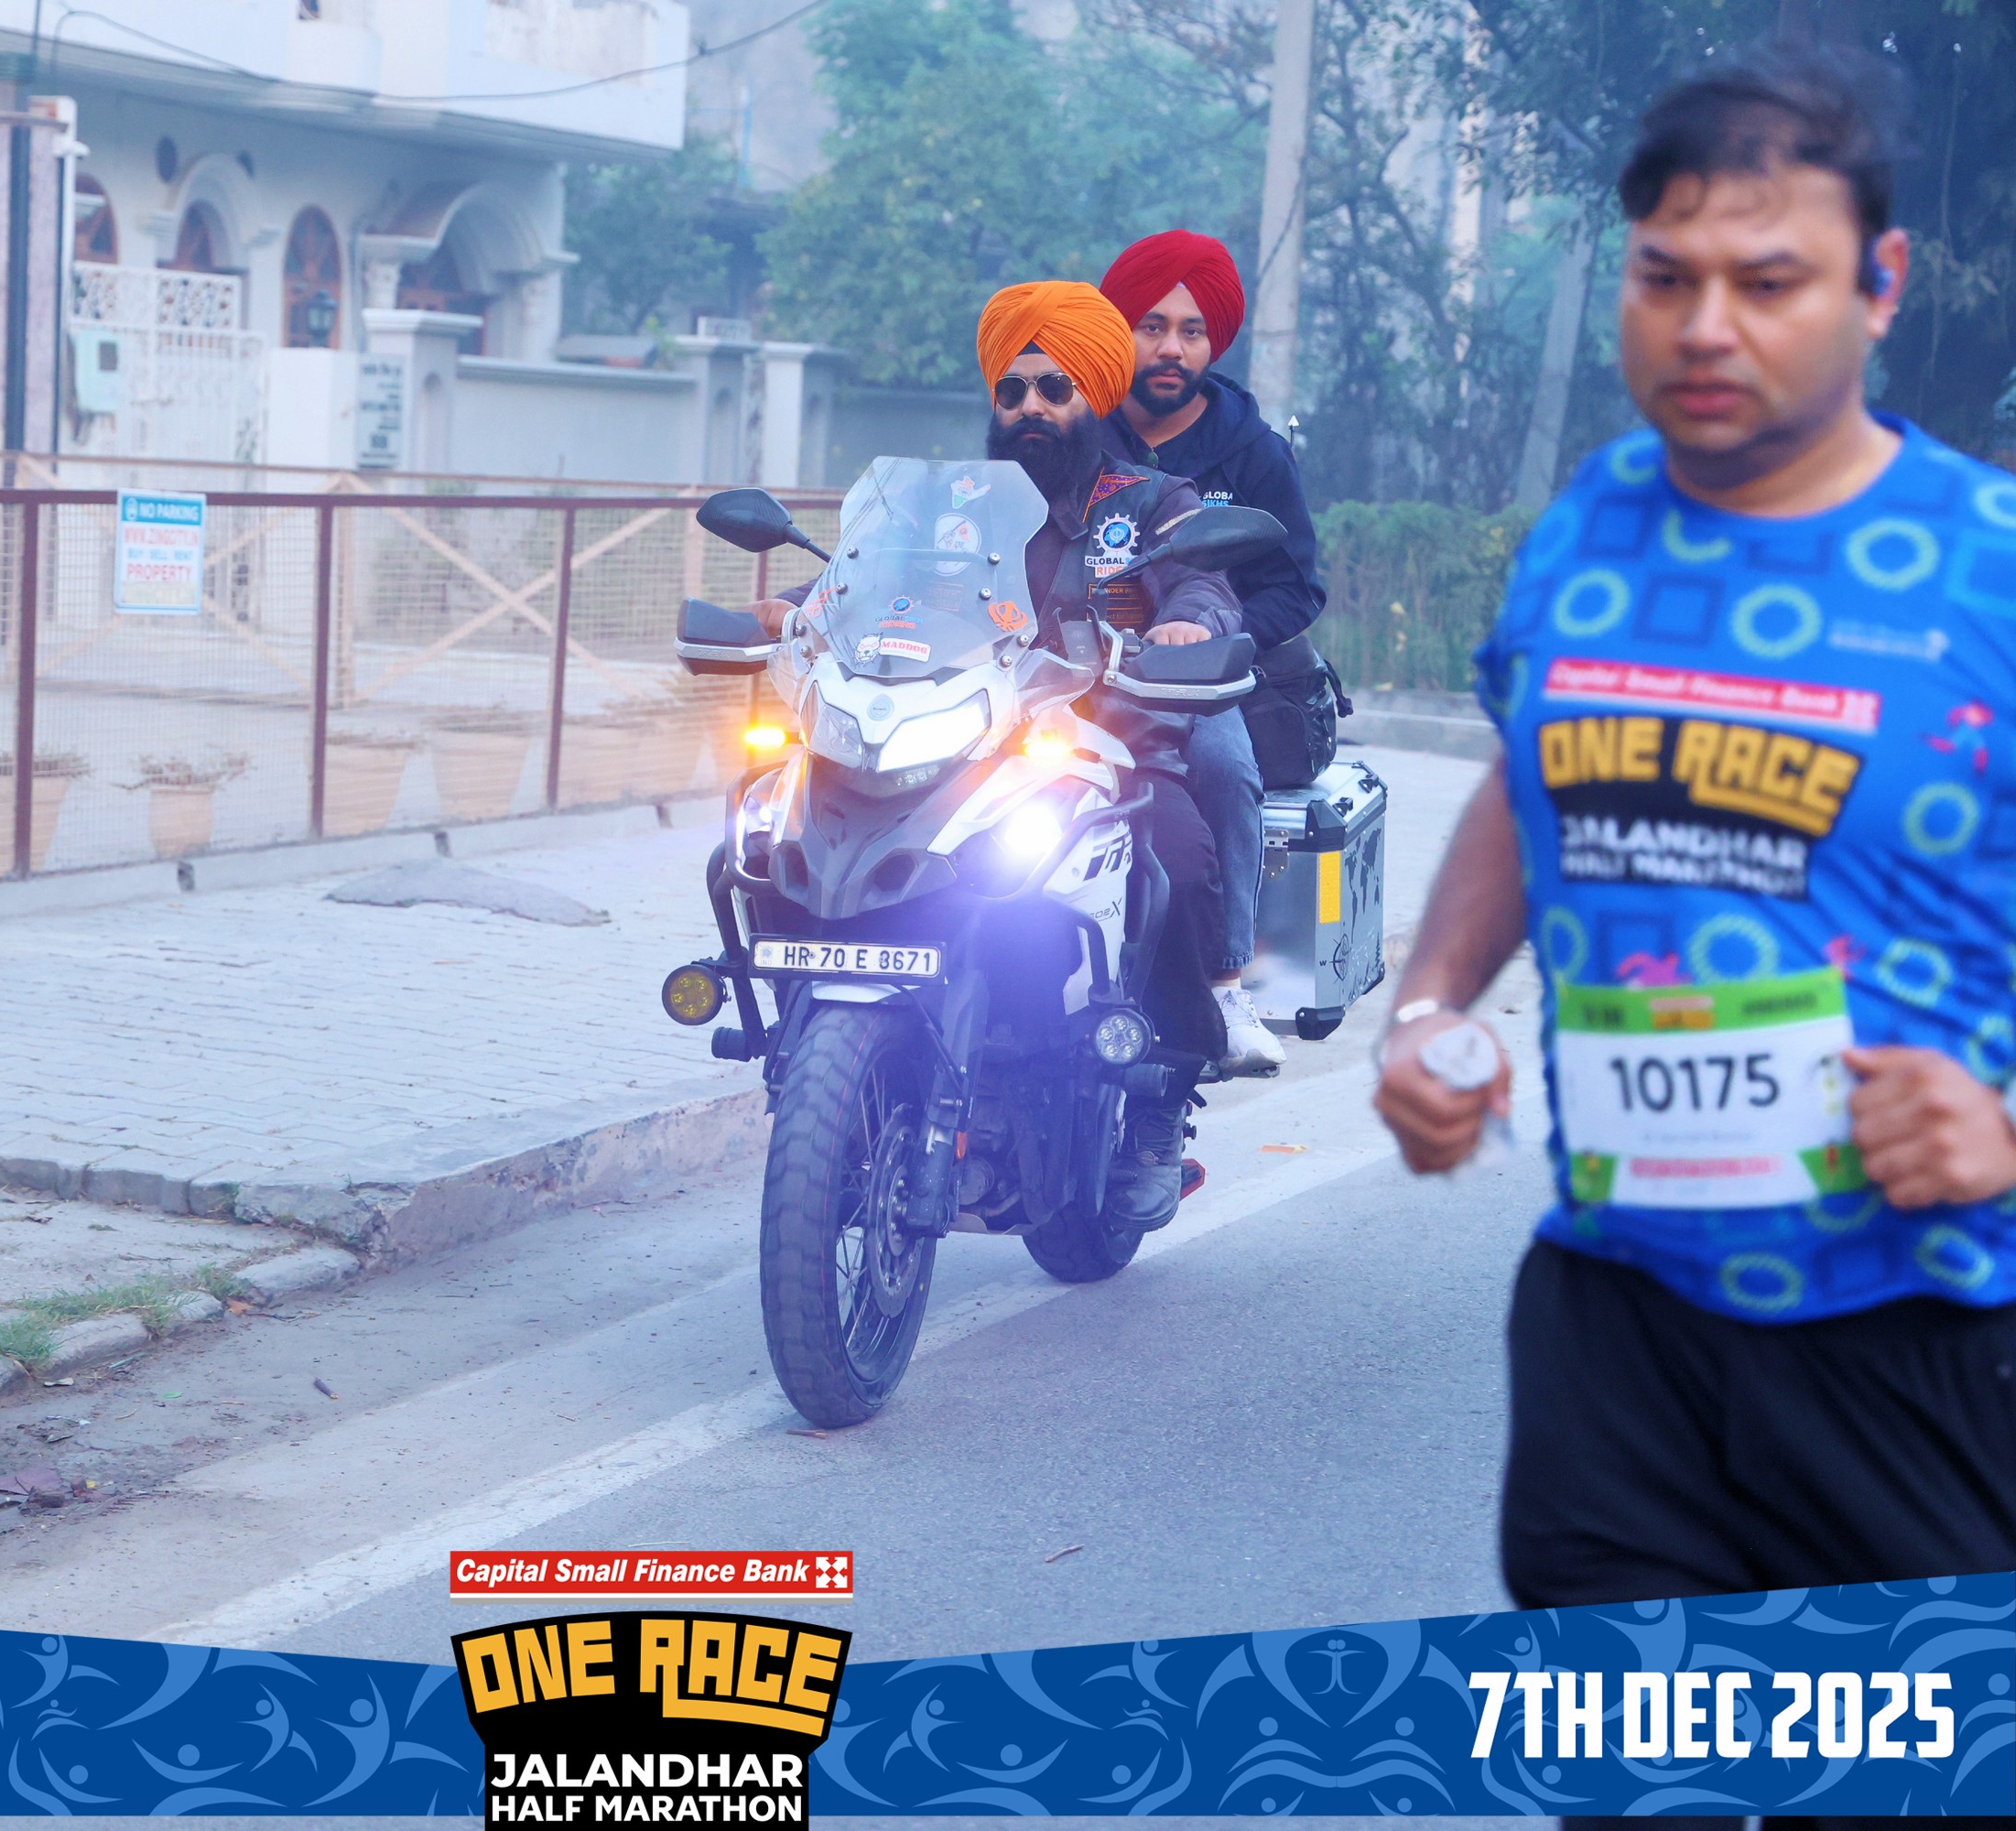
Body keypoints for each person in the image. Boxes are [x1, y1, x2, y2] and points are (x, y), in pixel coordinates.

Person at [1371, 40, 2016, 1669]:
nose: (1707, 326)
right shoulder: (1586, 526)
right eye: (1666, 277)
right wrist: (1428, 1006)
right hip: (1616, 1330)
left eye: (1767, 281)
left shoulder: (1989, 572)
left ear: (1880, 283)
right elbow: (1528, 777)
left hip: (1928, 1333)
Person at [757, 280, 1246, 1231]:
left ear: (1094, 396)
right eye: (1013, 390)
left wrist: (1188, 624)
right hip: (954, 746)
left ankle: (1157, 1108)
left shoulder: (1151, 503)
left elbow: (1204, 585)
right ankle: (818, 1051)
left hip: (1106, 746)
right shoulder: (942, 505)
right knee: (774, 822)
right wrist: (798, 609)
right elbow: (858, 581)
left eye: (1055, 389)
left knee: (1178, 862)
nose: (1031, 408)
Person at [1099, 231, 1332, 1076]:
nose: (1171, 348)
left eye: (1191, 331)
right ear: (1118, 331)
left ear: (1213, 343)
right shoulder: (1074, 426)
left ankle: (1227, 985)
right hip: (1069, 665)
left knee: (1226, 770)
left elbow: (1296, 586)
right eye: (1152, 326)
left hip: (1200, 678)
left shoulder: (1253, 452)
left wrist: (1216, 643)